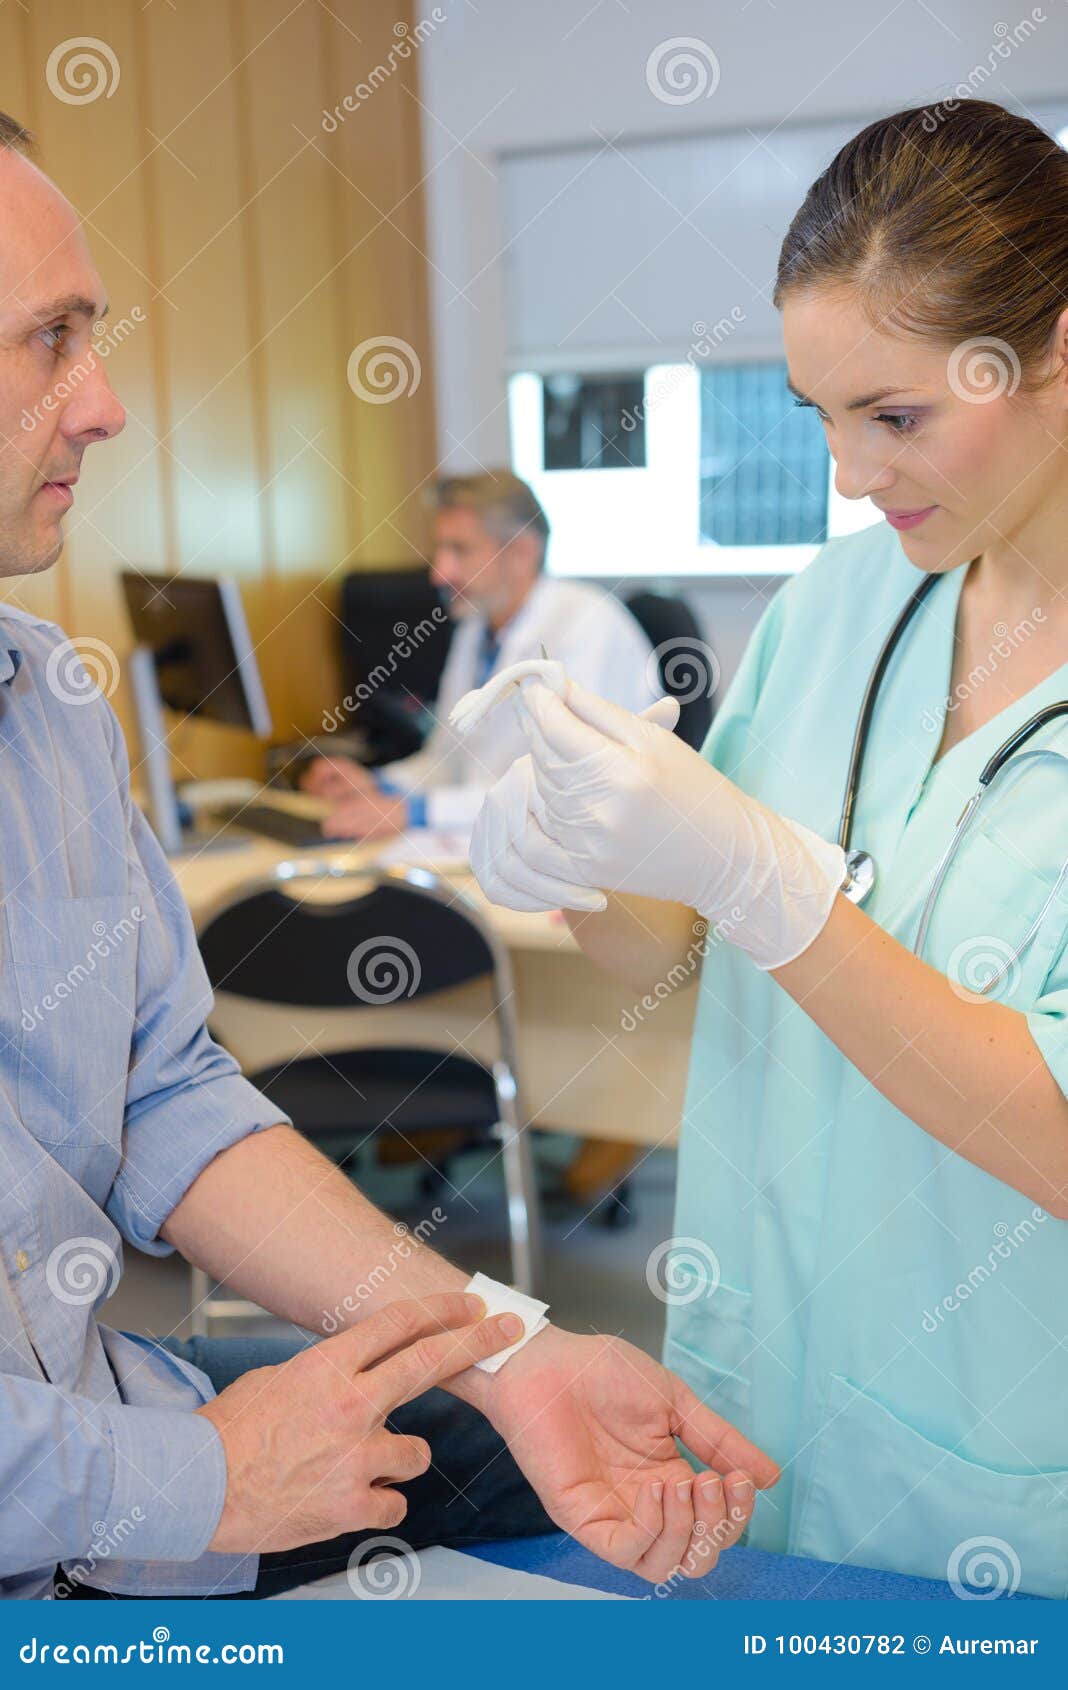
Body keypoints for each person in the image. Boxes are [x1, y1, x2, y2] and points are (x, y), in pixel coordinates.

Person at [0, 113, 778, 1601]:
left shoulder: (55, 712)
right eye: (50, 342)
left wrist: (510, 1344)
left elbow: (165, 1095)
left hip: (94, 1409)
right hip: (90, 1494)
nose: (104, 405)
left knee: (484, 1437)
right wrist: (205, 1477)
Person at [466, 100, 1068, 1599]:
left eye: (898, 415)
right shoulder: (840, 604)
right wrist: (580, 851)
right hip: (769, 1387)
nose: (852, 474)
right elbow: (675, 946)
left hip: (1005, 1452)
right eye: (820, 416)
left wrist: (765, 877)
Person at [301, 470, 661, 840]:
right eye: (439, 551)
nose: (439, 574)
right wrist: (376, 784)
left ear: (521, 553)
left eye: (460, 550)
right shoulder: (476, 629)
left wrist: (417, 812)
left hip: (579, 861)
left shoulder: (587, 626)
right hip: (492, 844)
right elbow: (448, 761)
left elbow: (567, 790)